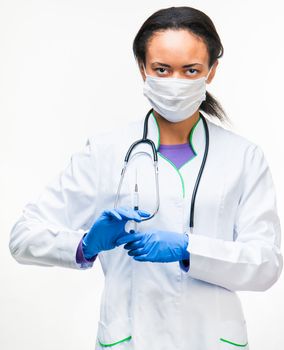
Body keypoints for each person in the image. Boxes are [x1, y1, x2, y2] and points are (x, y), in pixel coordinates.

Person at [9, 6, 283, 350]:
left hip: (213, 340)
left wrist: (189, 249)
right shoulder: (105, 152)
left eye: (191, 70)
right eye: (162, 69)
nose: (175, 83)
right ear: (143, 69)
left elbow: (266, 263)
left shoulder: (244, 157)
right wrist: (85, 245)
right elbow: (23, 237)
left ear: (211, 71)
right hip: (130, 338)